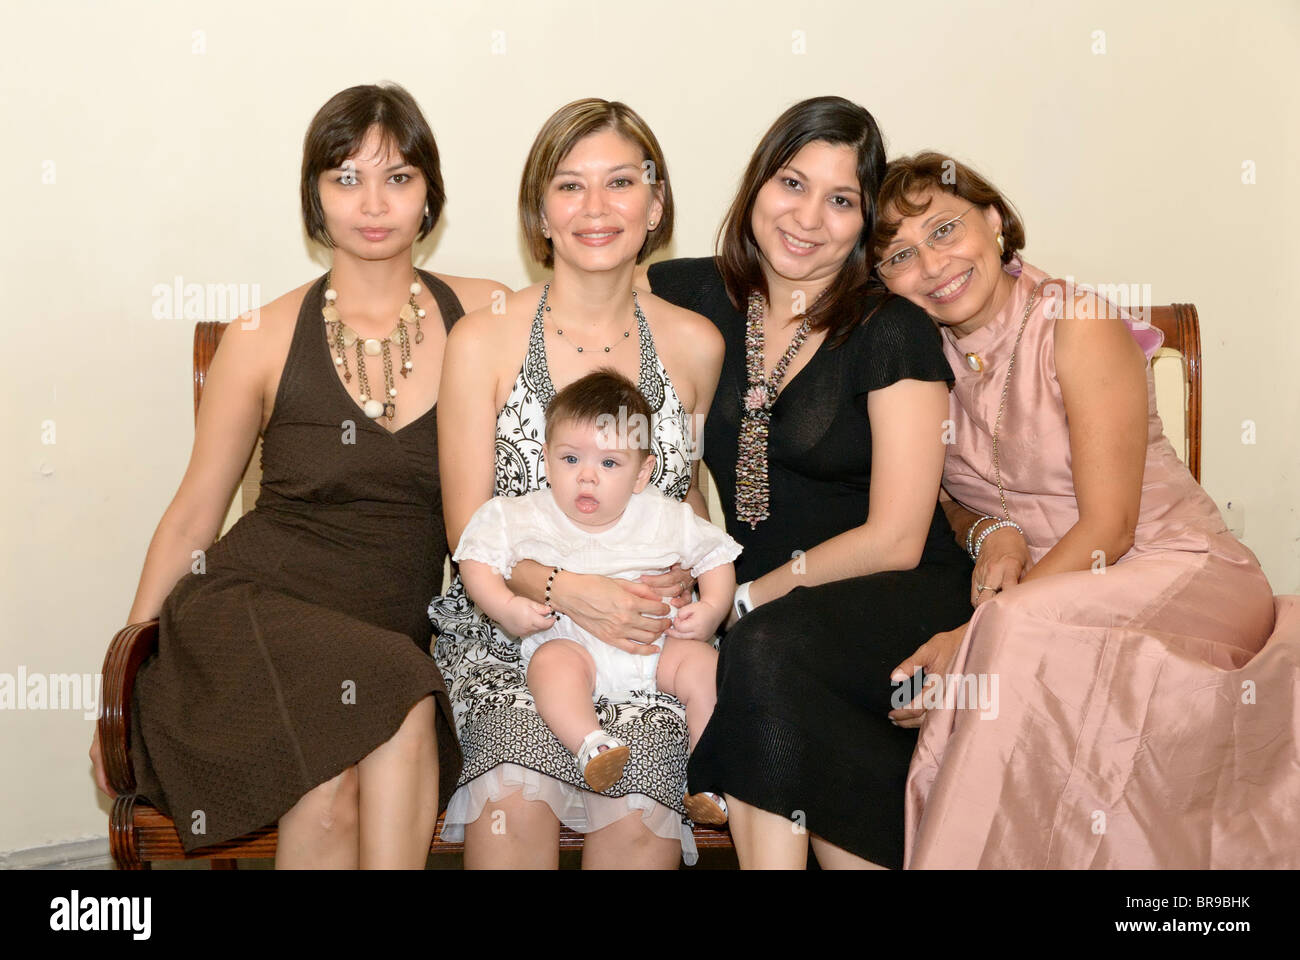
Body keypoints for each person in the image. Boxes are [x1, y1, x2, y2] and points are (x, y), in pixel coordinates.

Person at [89, 83, 505, 868]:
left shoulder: (487, 314)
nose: (372, 201)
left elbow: (600, 333)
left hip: (380, 636)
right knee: (403, 689)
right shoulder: (264, 335)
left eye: (398, 176)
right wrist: (130, 659)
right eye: (345, 178)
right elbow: (193, 516)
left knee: (329, 783)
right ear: (315, 198)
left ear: (430, 196)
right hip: (252, 612)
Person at [872, 151, 1290, 868]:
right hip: (1054, 599)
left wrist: (966, 641)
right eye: (902, 255)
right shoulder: (916, 358)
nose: (933, 264)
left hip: (1180, 569)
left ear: (996, 222)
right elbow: (944, 505)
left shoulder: (1076, 321)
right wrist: (996, 533)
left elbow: (1110, 528)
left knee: (1015, 636)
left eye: (946, 230)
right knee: (1018, 641)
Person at [641, 96, 974, 869]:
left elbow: (895, 537)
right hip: (774, 618)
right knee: (776, 676)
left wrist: (750, 596)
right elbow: (574, 299)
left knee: (762, 651)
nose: (809, 218)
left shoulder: (892, 330)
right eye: (792, 183)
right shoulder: (688, 295)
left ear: (864, 224)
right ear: (757, 184)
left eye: (842, 199)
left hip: (895, 590)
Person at [432, 98, 725, 868]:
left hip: (642, 637)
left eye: (621, 182)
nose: (596, 208)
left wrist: (682, 588)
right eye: (569, 186)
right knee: (515, 798)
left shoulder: (695, 344)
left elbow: (682, 495)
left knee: (639, 810)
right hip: (511, 629)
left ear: (655, 204)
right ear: (541, 212)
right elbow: (467, 526)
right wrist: (567, 589)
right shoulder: (483, 337)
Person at [454, 370, 740, 822]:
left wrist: (709, 610)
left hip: (657, 647)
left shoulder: (662, 516)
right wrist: (505, 607)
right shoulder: (521, 514)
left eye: (609, 464)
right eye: (570, 459)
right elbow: (475, 557)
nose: (587, 477)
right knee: (551, 667)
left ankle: (706, 777)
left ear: (642, 472)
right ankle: (592, 744)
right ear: (545, 459)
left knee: (706, 668)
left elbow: (716, 557)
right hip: (571, 645)